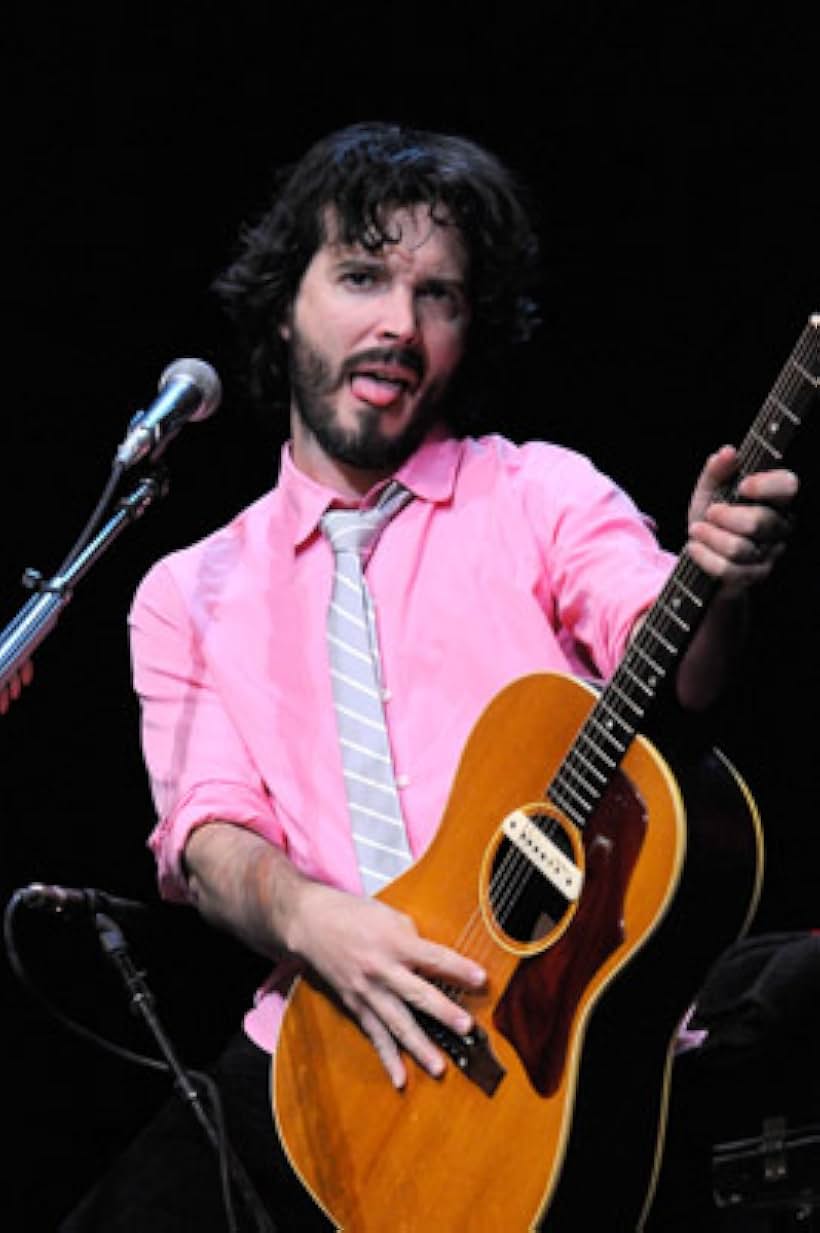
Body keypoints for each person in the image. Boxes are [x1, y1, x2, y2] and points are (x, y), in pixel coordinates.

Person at [61, 121, 798, 1231]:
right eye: (361, 276)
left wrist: (717, 583)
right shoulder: (185, 591)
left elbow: (674, 661)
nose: (399, 326)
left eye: (439, 296)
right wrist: (316, 924)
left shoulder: (538, 493)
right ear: (284, 301)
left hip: (550, 1034)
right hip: (321, 1044)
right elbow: (207, 840)